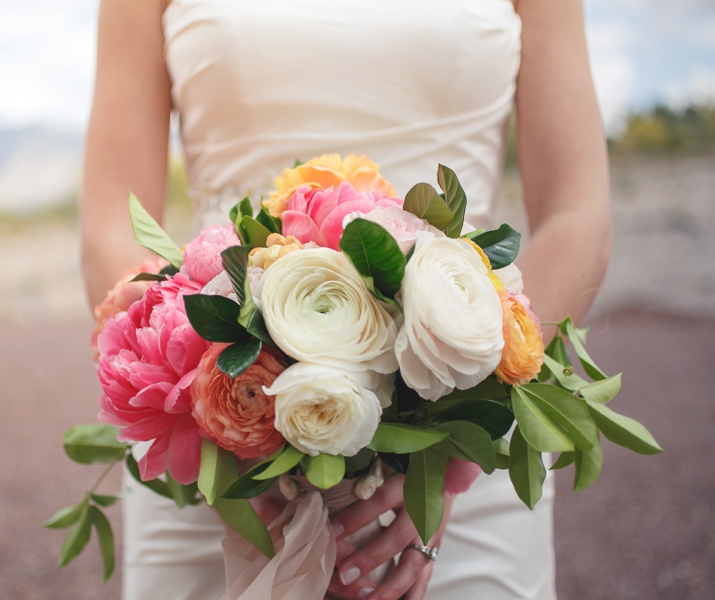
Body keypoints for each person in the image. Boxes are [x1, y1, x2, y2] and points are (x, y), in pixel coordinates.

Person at [80, 0, 612, 598]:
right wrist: (227, 433)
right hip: (220, 449)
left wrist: (445, 439)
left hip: (463, 425)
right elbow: (110, 228)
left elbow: (577, 214)